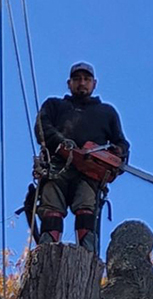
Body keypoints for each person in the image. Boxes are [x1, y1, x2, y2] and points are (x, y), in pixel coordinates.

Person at [34, 61, 130, 252]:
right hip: (57, 167)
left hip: (89, 172)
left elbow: (121, 143)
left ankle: (86, 258)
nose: (82, 83)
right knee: (52, 211)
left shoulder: (106, 113)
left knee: (87, 211)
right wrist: (62, 143)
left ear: (94, 83)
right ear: (69, 83)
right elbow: (42, 128)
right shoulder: (54, 106)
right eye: (77, 79)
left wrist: (117, 154)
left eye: (86, 79)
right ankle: (46, 254)